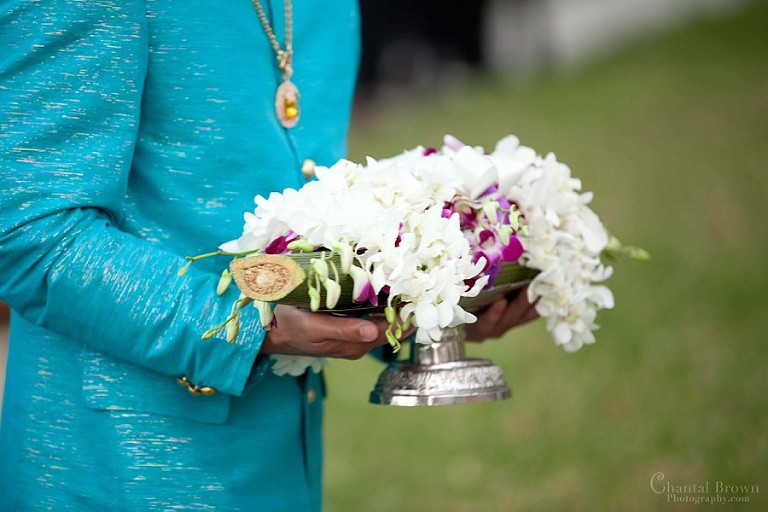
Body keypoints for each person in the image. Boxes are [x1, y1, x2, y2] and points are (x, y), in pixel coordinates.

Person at [0, 1, 537, 510]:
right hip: (117, 466)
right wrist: (246, 323)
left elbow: (308, 216)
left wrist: (428, 305)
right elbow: (29, 230)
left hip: (283, 451)